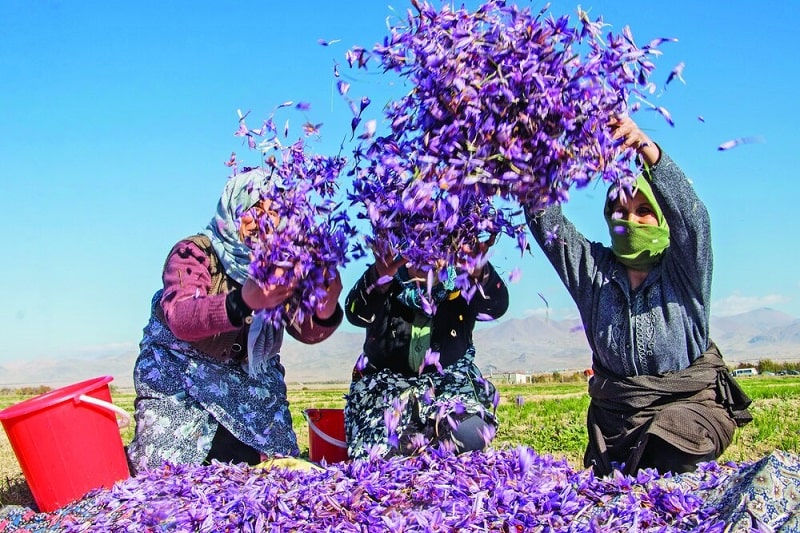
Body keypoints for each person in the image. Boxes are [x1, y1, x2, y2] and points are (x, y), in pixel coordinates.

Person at [525, 116, 752, 476]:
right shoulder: (592, 271)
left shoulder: (684, 270)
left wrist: (645, 148)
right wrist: (546, 149)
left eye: (643, 211)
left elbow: (694, 221)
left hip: (688, 411)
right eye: (619, 210)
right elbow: (546, 222)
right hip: (617, 422)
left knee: (669, 445)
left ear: (662, 219)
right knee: (617, 474)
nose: (630, 220)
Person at [126, 168, 344, 474]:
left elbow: (307, 331)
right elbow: (181, 317)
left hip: (248, 380)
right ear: (233, 209)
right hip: (181, 373)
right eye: (254, 210)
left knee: (276, 469)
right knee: (164, 472)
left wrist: (326, 302)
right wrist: (244, 300)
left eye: (274, 213)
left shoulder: (282, 265)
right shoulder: (194, 252)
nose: (263, 222)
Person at [343, 244, 508, 460]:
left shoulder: (462, 282)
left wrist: (479, 272)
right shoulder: (387, 280)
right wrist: (378, 277)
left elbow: (497, 306)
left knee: (470, 435)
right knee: (379, 456)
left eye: (435, 249)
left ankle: (428, 440)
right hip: (386, 393)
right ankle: (412, 441)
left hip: (448, 387)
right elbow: (355, 312)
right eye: (416, 250)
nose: (425, 259)